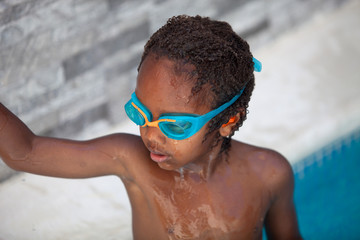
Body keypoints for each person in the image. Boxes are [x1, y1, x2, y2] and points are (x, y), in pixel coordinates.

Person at [0, 15, 302, 240]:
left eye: (175, 125)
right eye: (140, 112)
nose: (151, 134)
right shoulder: (131, 160)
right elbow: (24, 152)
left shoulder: (269, 174)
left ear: (228, 121)